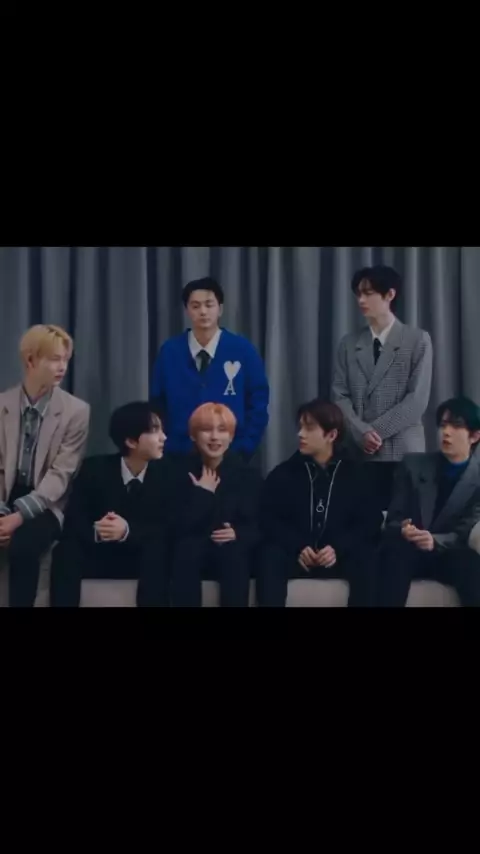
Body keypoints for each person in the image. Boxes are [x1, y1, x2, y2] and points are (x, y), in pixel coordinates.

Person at [256, 399, 383, 607]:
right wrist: (297, 546)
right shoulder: (283, 473)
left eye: (309, 428)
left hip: (340, 555)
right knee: (269, 556)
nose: (300, 434)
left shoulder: (356, 474)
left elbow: (370, 521)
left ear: (331, 435)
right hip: (295, 555)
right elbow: (267, 519)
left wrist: (337, 548)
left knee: (366, 557)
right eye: (300, 427)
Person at [0, 324, 90, 607]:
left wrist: (18, 517)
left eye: (65, 359)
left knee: (24, 546)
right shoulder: (2, 405)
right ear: (30, 360)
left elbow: (61, 474)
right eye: (54, 359)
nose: (62, 367)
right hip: (4, 495)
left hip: (46, 502)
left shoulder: (76, 411)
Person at [50, 402, 171, 607]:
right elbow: (74, 518)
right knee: (65, 550)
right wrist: (99, 531)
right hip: (100, 552)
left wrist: (127, 531)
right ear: (131, 441)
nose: (163, 437)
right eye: (154, 430)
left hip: (141, 556)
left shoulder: (168, 474)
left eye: (162, 430)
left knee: (158, 549)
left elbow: (168, 527)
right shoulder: (94, 469)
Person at [332, 265, 433, 510]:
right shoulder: (348, 344)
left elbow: (416, 400)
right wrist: (360, 433)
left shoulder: (417, 340)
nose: (361, 300)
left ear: (390, 294)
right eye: (358, 293)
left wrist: (373, 433)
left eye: (368, 293)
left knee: (403, 523)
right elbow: (339, 396)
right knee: (363, 522)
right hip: (360, 453)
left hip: (403, 451)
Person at [150, 277, 269, 460]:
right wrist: (167, 445)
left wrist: (242, 448)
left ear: (220, 309)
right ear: (187, 310)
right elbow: (157, 404)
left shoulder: (242, 350)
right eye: (195, 306)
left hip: (231, 454)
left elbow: (258, 403)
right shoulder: (170, 351)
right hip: (178, 455)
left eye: (209, 305)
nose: (203, 312)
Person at [377, 396, 480, 607]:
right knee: (394, 551)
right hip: (408, 550)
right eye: (443, 425)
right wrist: (405, 529)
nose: (446, 432)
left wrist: (434, 540)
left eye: (456, 426)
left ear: (475, 435)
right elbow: (394, 517)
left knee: (470, 562)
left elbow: (465, 530)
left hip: (447, 553)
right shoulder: (413, 465)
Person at [169, 402, 262, 607]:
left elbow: (260, 525)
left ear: (231, 436)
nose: (214, 437)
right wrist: (203, 493)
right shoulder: (177, 472)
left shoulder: (249, 475)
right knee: (186, 549)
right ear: (193, 435)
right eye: (206, 430)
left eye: (222, 430)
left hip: (232, 550)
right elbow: (177, 526)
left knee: (234, 553)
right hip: (192, 549)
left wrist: (237, 533)